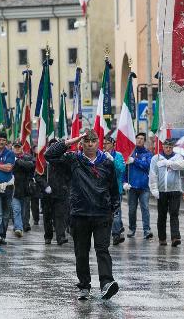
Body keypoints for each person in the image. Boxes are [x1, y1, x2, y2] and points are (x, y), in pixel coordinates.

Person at [45, 129, 120, 301]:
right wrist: (70, 141)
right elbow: (49, 155)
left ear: (98, 143)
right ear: (81, 143)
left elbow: (113, 189)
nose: (90, 144)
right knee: (81, 252)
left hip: (101, 214)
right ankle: (84, 286)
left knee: (102, 250)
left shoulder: (107, 162)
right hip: (80, 214)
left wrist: (113, 209)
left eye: (93, 141)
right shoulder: (73, 159)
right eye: (86, 141)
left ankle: (107, 284)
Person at [149, 139, 184, 247]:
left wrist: (168, 163)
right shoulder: (156, 158)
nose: (168, 149)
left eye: (170, 147)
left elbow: (181, 166)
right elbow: (152, 174)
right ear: (163, 147)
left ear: (172, 147)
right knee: (162, 215)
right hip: (162, 191)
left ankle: (175, 237)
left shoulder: (178, 157)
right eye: (166, 147)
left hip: (174, 190)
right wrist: (154, 189)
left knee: (174, 214)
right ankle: (162, 238)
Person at [37, 138, 70, 245]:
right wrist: (45, 186)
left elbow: (69, 175)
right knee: (47, 216)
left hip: (60, 192)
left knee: (60, 215)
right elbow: (38, 176)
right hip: (47, 194)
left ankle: (60, 237)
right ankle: (48, 236)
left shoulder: (64, 160)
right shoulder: (43, 161)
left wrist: (66, 186)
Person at [123, 132, 153, 239]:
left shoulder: (148, 154)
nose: (139, 140)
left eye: (141, 139)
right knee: (132, 209)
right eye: (138, 138)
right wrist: (124, 182)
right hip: (132, 186)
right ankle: (132, 228)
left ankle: (147, 230)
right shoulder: (130, 153)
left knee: (145, 208)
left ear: (144, 141)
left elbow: (147, 166)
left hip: (144, 186)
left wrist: (135, 160)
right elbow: (125, 169)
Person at [102, 135, 126, 245]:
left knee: (116, 212)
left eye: (107, 143)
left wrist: (113, 161)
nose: (105, 145)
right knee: (106, 213)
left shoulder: (118, 155)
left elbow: (121, 170)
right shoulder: (100, 155)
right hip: (103, 189)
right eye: (104, 143)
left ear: (112, 144)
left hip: (116, 189)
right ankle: (118, 229)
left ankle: (116, 234)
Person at [10, 140, 35, 237]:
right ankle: (18, 228)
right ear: (12, 148)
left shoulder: (28, 157)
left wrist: (18, 161)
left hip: (26, 188)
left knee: (24, 211)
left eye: (18, 147)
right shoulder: (8, 157)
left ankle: (22, 224)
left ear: (22, 147)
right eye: (15, 147)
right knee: (16, 209)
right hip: (13, 188)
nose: (17, 149)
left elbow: (31, 165)